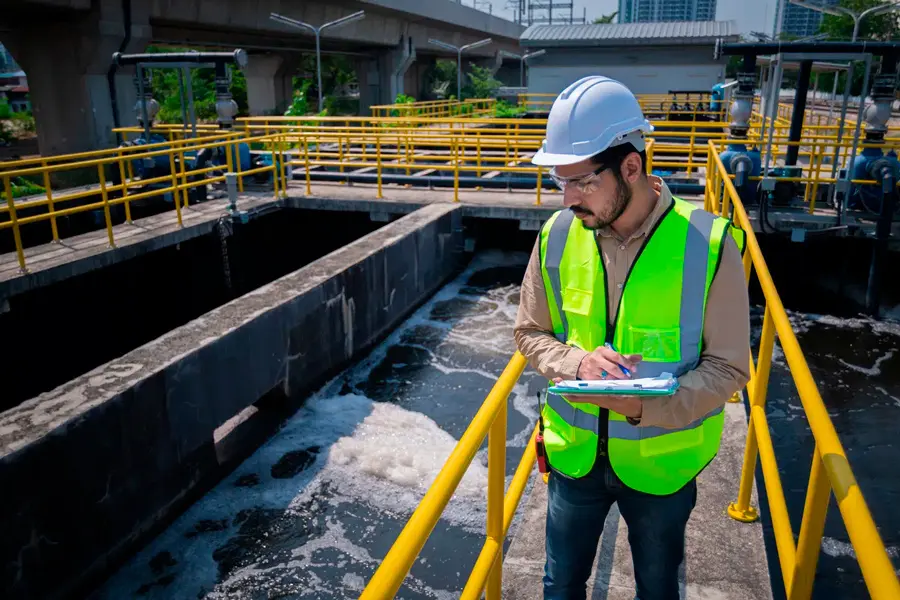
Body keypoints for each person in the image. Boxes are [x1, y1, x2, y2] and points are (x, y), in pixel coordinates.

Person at [513, 75, 752, 600]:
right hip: (574, 458)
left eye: (582, 182)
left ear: (631, 167)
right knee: (559, 586)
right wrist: (575, 364)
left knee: (658, 588)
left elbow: (730, 367)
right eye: (560, 181)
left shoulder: (709, 244)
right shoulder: (556, 235)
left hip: (662, 468)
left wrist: (643, 408)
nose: (569, 197)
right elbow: (530, 331)